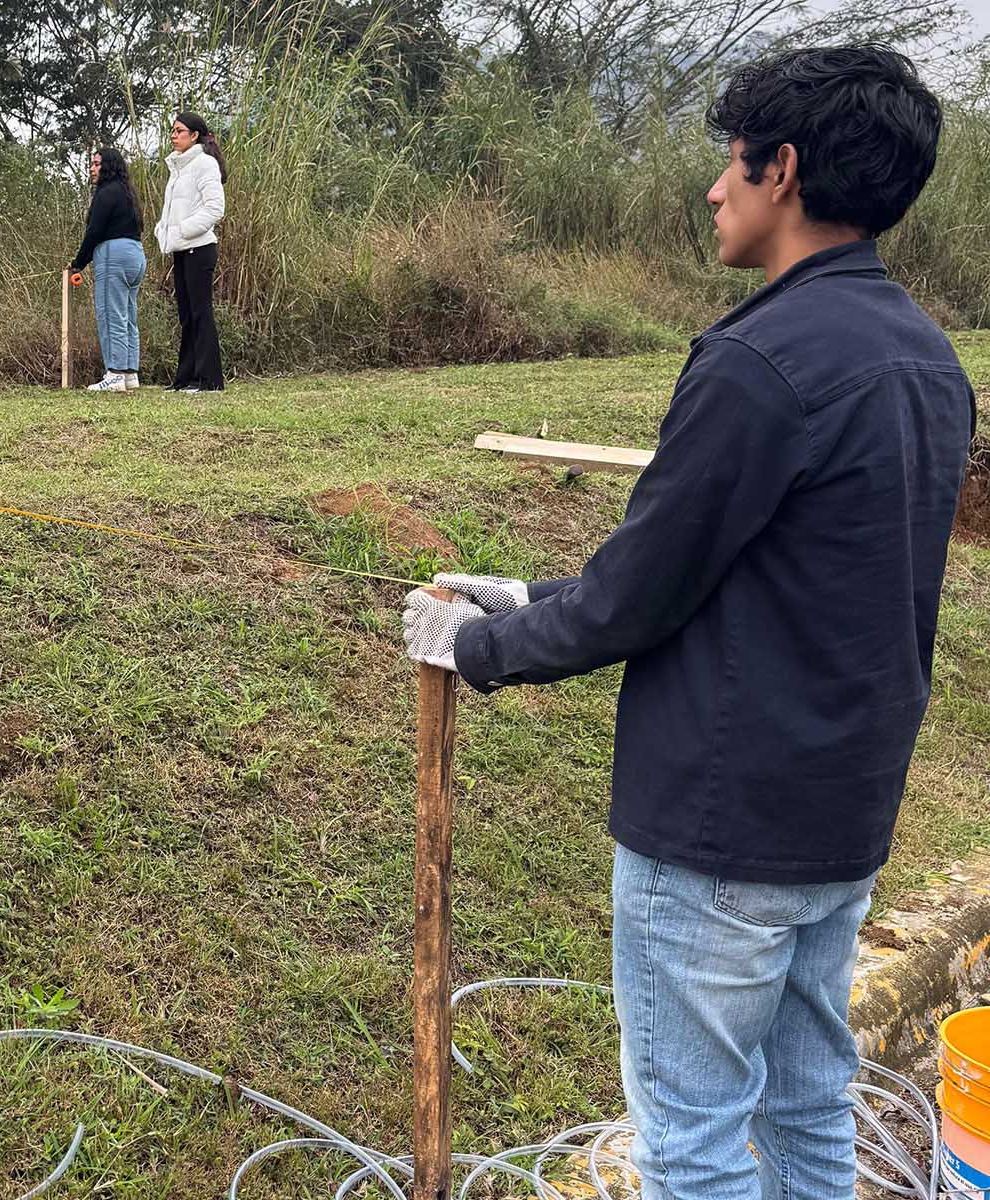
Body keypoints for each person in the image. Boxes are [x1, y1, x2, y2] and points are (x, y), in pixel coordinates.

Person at [400, 46, 973, 1200]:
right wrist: (531, 593)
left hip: (722, 838)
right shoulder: (927, 360)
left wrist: (475, 644)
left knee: (694, 1140)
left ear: (787, 172)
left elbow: (638, 597)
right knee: (810, 1105)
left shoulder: (759, 361)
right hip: (841, 820)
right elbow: (741, 570)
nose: (717, 187)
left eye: (732, 161)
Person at [155, 111, 226, 393]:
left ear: (194, 135)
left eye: (179, 131)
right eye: (172, 131)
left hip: (200, 247)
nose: (173, 136)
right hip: (182, 250)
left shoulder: (205, 164)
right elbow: (173, 209)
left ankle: (208, 380)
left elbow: (214, 209)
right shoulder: (178, 168)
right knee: (186, 314)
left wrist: (183, 229)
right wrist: (164, 230)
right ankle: (185, 378)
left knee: (200, 312)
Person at [69, 146, 147, 393]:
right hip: (135, 255)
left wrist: (78, 263)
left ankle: (114, 374)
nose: (92, 169)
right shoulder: (128, 193)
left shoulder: (106, 192)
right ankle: (129, 374)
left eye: (96, 164)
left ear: (108, 166)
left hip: (114, 256)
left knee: (111, 315)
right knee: (127, 316)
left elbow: (94, 231)